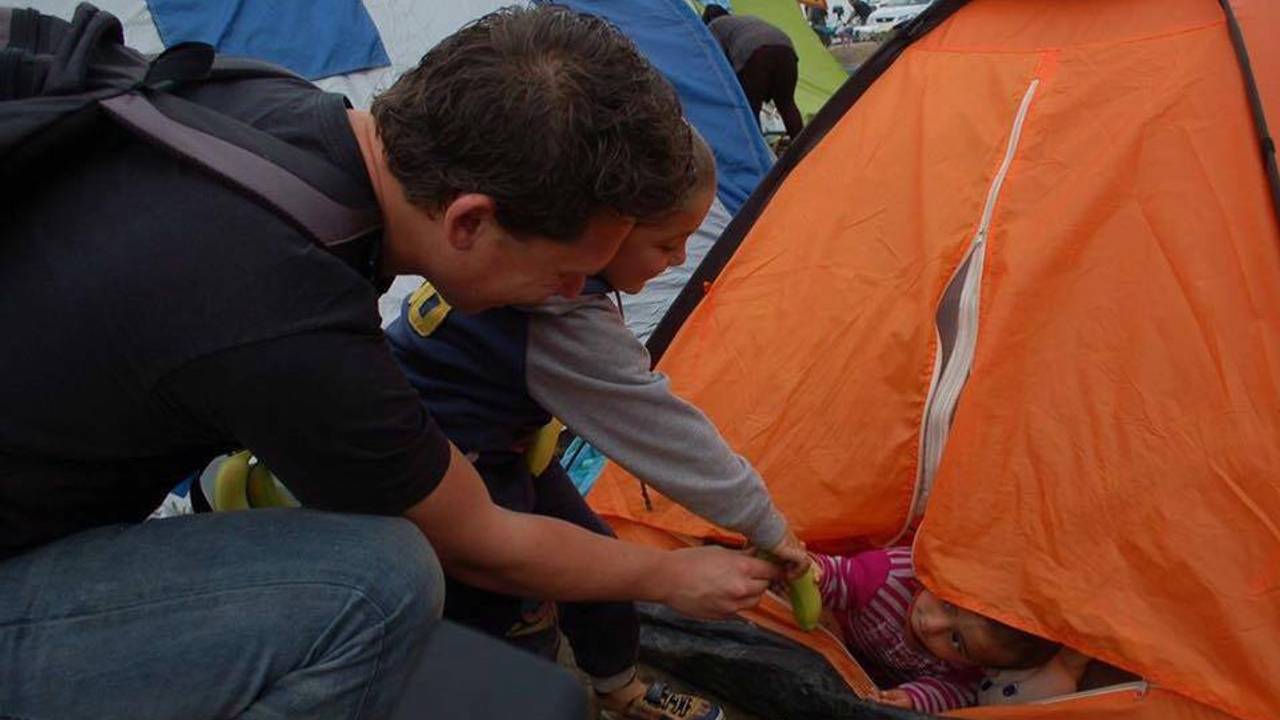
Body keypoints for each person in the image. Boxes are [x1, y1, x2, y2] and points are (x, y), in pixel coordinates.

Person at [0, 6, 780, 719]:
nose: (575, 293)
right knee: (380, 579)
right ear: (471, 218)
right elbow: (484, 541)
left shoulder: (272, 107)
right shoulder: (289, 308)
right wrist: (670, 578)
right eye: (568, 272)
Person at [386, 131, 808, 720]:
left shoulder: (535, 261)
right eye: (668, 242)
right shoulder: (562, 318)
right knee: (509, 601)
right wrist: (766, 524)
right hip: (452, 463)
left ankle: (618, 688)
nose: (682, 259)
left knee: (598, 560)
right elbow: (665, 434)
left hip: (510, 445)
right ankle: (514, 690)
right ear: (604, 233)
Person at [811, 547, 1061, 713]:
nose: (930, 626)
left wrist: (913, 698)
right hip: (835, 636)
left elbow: (958, 690)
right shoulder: (888, 576)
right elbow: (836, 577)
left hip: (875, 680)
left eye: (955, 641)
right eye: (947, 603)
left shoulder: (969, 666)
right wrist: (813, 574)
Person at [702, 5, 805, 140]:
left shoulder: (713, 27)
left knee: (750, 110)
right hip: (786, 49)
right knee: (787, 104)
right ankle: (807, 151)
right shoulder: (744, 20)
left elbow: (716, 61)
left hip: (755, 54)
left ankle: (760, 156)